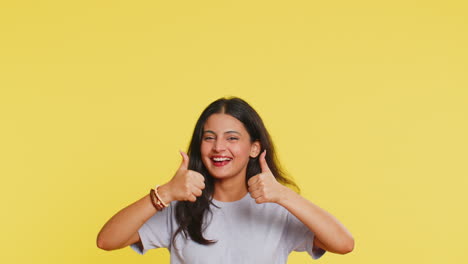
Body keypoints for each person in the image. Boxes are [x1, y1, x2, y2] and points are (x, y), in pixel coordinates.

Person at [97, 97, 354, 263]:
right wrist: (164, 193)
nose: (219, 147)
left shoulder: (276, 211)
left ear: (254, 148)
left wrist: (284, 195)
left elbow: (343, 244)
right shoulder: (181, 207)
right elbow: (107, 240)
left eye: (232, 138)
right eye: (209, 137)